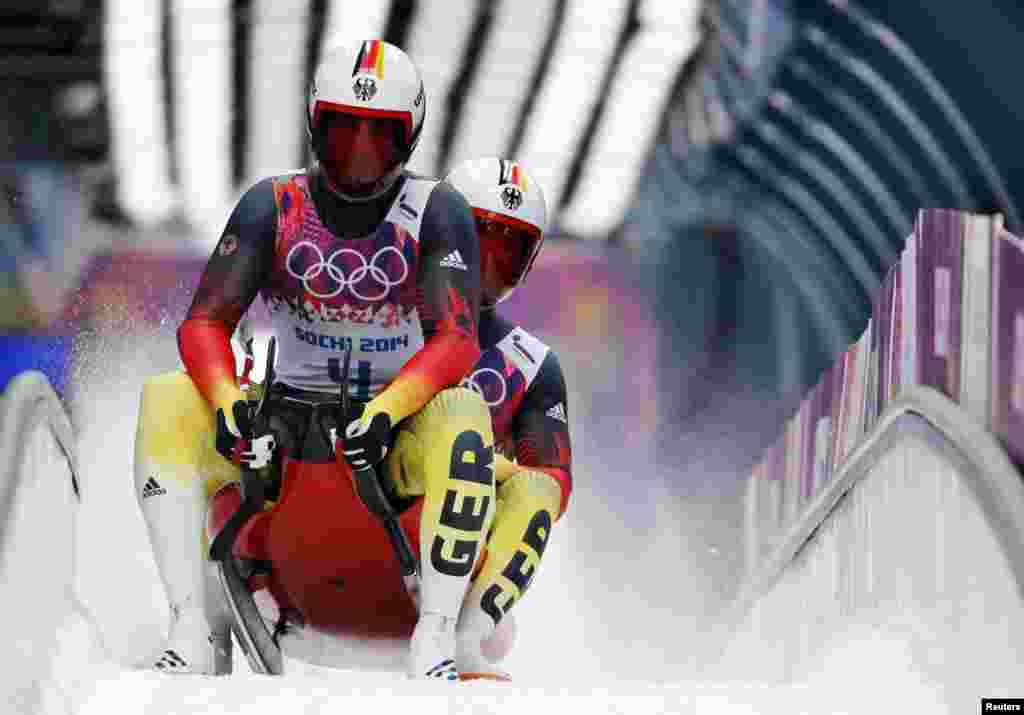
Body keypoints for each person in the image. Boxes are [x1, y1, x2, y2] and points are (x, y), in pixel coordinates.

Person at [136, 39, 494, 680]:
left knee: (466, 414)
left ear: (408, 138)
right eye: (342, 131)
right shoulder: (273, 205)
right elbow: (206, 323)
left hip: (393, 433)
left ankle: (437, 634)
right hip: (285, 430)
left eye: (377, 137)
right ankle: (188, 624)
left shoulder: (438, 211)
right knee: (167, 396)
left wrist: (387, 411)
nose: (358, 155)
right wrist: (227, 407)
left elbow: (457, 339)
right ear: (313, 127)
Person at [439, 157, 572, 680]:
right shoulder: (373, 303)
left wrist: (488, 468)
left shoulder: (531, 364)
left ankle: (471, 628)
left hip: (457, 531)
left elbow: (555, 478)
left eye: (509, 250)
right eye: (478, 241)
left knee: (539, 489)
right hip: (353, 490)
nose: (489, 262)